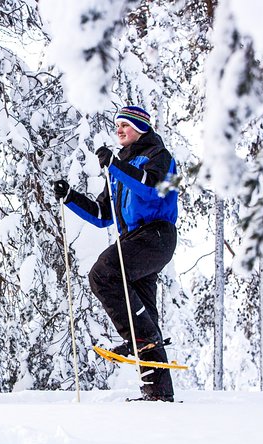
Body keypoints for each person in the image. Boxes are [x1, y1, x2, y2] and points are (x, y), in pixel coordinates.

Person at [53, 106, 178, 402]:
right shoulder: (121, 167)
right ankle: (158, 393)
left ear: (141, 128)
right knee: (144, 313)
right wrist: (70, 197)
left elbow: (151, 188)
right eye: (117, 125)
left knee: (103, 273)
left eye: (125, 125)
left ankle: (139, 339)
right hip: (135, 238)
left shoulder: (159, 157)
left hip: (156, 234)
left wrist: (115, 167)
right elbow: (101, 214)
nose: (119, 129)